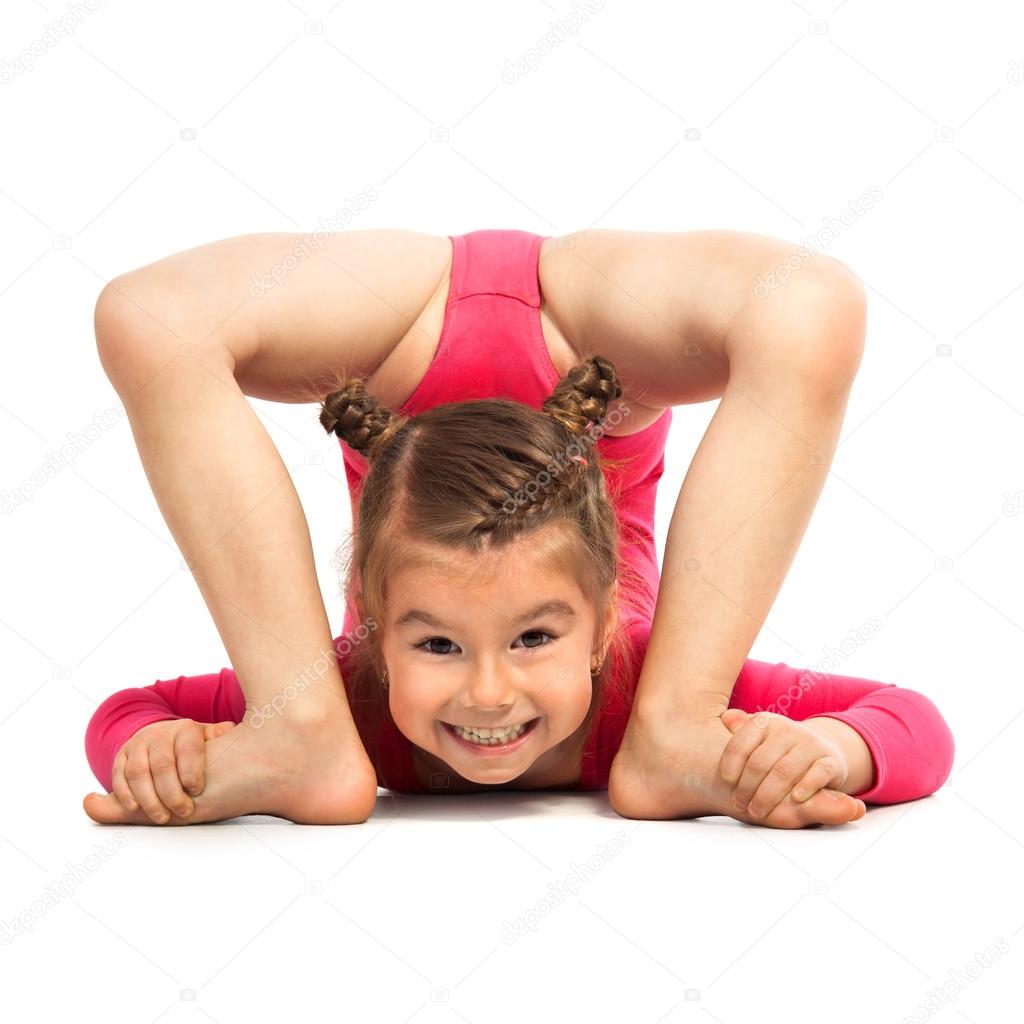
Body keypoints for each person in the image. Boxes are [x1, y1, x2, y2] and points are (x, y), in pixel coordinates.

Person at [82, 228, 955, 828]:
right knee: (142, 319)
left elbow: (918, 724)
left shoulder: (637, 676)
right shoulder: (341, 699)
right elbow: (130, 714)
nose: (489, 694)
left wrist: (822, 750)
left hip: (556, 347)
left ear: (601, 625)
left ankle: (675, 733)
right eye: (437, 649)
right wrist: (161, 749)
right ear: (380, 634)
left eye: (536, 637)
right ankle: (295, 750)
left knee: (812, 302)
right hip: (532, 342)